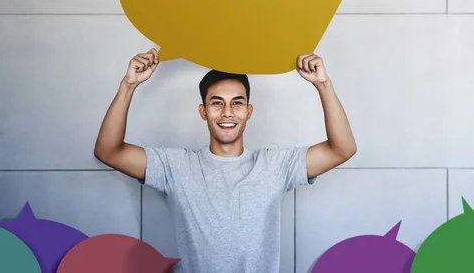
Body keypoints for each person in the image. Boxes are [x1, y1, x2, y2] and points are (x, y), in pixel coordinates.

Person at [94, 48, 357, 273]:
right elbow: (108, 152)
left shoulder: (276, 165)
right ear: (203, 111)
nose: (227, 113)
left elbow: (341, 150)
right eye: (217, 103)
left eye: (237, 103)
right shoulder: (175, 166)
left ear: (249, 111)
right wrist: (128, 85)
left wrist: (323, 84)